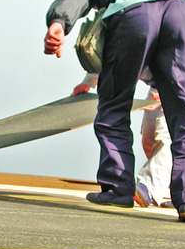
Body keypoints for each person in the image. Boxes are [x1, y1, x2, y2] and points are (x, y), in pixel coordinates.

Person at [44, 0, 185, 223]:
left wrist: (60, 21)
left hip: (134, 12)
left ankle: (118, 188)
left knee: (115, 104)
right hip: (184, 12)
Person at [72, 71, 173, 208]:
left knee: (165, 139)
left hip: (177, 86)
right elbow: (113, 61)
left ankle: (148, 188)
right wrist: (88, 82)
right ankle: (179, 187)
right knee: (149, 141)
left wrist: (169, 85)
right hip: (158, 88)